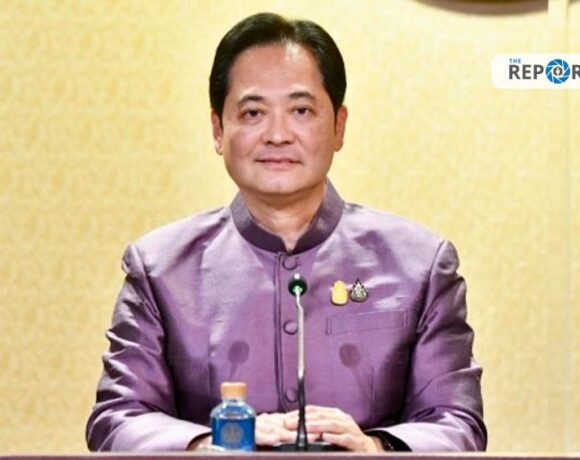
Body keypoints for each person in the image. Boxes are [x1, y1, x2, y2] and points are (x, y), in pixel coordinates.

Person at [86, 12, 486, 453]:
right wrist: (211, 443)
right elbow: (117, 419)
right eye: (253, 112)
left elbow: (457, 423)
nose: (277, 135)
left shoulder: (419, 264)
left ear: (339, 126)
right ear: (218, 130)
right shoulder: (161, 269)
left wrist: (375, 449)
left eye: (300, 110)